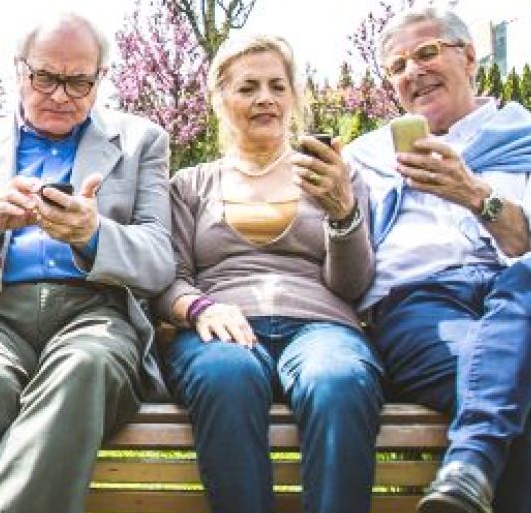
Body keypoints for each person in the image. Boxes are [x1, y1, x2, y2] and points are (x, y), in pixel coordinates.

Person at [0, 12, 174, 513]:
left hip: (95, 311)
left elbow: (158, 262)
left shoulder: (141, 142)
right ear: (19, 71)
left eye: (78, 82)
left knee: (85, 366)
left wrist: (92, 235)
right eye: (46, 77)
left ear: (100, 80)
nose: (61, 94)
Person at [344, 7, 531, 513]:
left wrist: (477, 197)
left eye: (427, 52)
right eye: (397, 67)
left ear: (470, 56)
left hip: (528, 307)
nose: (413, 71)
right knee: (508, 388)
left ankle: (468, 469)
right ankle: (472, 465)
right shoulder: (368, 159)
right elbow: (347, 257)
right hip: (422, 311)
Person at [155, 34, 383, 513]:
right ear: (219, 99)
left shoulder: (335, 175)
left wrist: (342, 211)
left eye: (278, 86)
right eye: (248, 87)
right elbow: (167, 278)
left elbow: (353, 285)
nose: (265, 98)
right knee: (226, 375)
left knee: (338, 379)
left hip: (322, 325)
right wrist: (200, 307)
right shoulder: (190, 185)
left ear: (294, 97)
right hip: (221, 328)